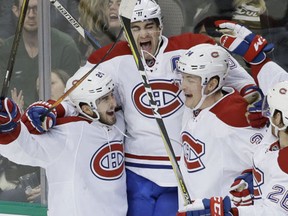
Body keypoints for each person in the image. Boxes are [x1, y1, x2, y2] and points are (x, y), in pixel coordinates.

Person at [76, 0, 260, 215]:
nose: (143, 34)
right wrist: (55, 111)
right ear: (126, 31)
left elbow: (241, 80)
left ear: (160, 27)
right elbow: (77, 92)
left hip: (180, 170)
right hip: (136, 169)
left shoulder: (192, 47)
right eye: (135, 28)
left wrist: (255, 104)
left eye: (149, 26)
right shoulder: (111, 58)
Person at [0, 67, 127, 215]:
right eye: (105, 98)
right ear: (86, 109)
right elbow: (25, 150)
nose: (113, 102)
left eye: (111, 94)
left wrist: (59, 108)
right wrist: (7, 131)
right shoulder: (68, 133)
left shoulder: (118, 120)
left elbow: (73, 103)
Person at [175, 43, 266, 215]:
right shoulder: (192, 106)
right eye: (183, 77)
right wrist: (249, 87)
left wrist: (251, 181)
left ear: (211, 84)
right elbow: (220, 58)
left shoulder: (238, 115)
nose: (182, 86)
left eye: (190, 79)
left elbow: (273, 158)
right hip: (193, 209)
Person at [0, 0, 81, 109]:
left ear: (46, 9)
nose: (31, 15)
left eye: (36, 9)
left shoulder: (66, 46)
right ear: (15, 10)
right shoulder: (6, 49)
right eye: (25, 9)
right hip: (16, 120)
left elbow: (75, 96)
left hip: (57, 118)